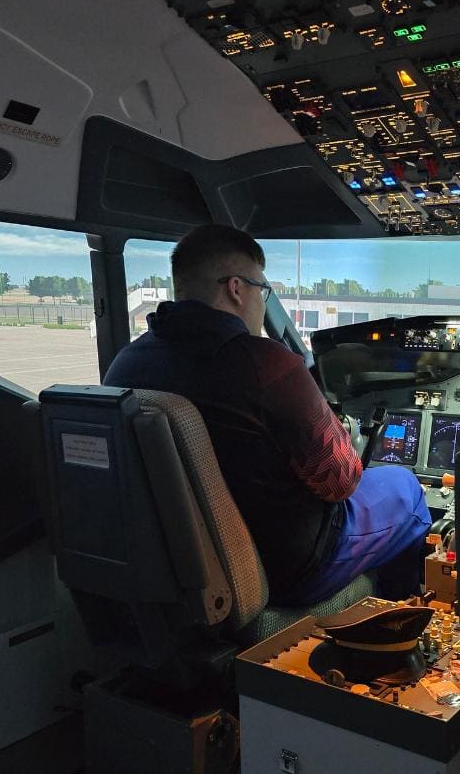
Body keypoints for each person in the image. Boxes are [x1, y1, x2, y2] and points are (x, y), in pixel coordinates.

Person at [104, 224, 430, 606]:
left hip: (179, 566)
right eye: (263, 290)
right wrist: (344, 437)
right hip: (289, 569)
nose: (263, 300)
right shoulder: (266, 365)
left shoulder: (126, 363)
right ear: (237, 288)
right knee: (406, 488)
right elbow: (341, 482)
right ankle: (400, 629)